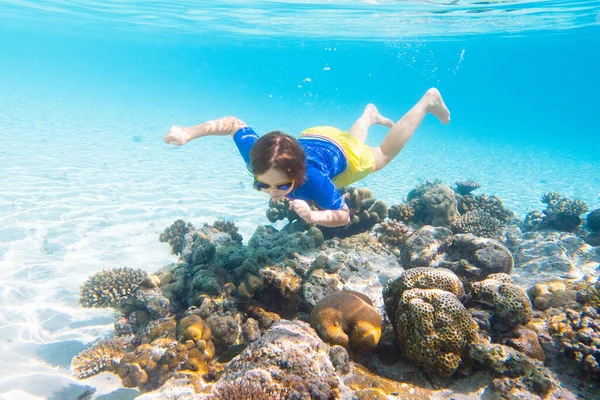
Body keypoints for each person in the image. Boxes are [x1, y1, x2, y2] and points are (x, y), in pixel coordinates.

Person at [163, 88, 450, 228]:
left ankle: (427, 101)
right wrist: (189, 133)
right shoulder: (259, 158)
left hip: (340, 154)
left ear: (298, 177)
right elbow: (233, 124)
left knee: (383, 154)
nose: (272, 193)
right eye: (262, 185)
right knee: (351, 138)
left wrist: (315, 216)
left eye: (281, 186)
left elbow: (344, 215)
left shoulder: (313, 178)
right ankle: (369, 115)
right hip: (316, 135)